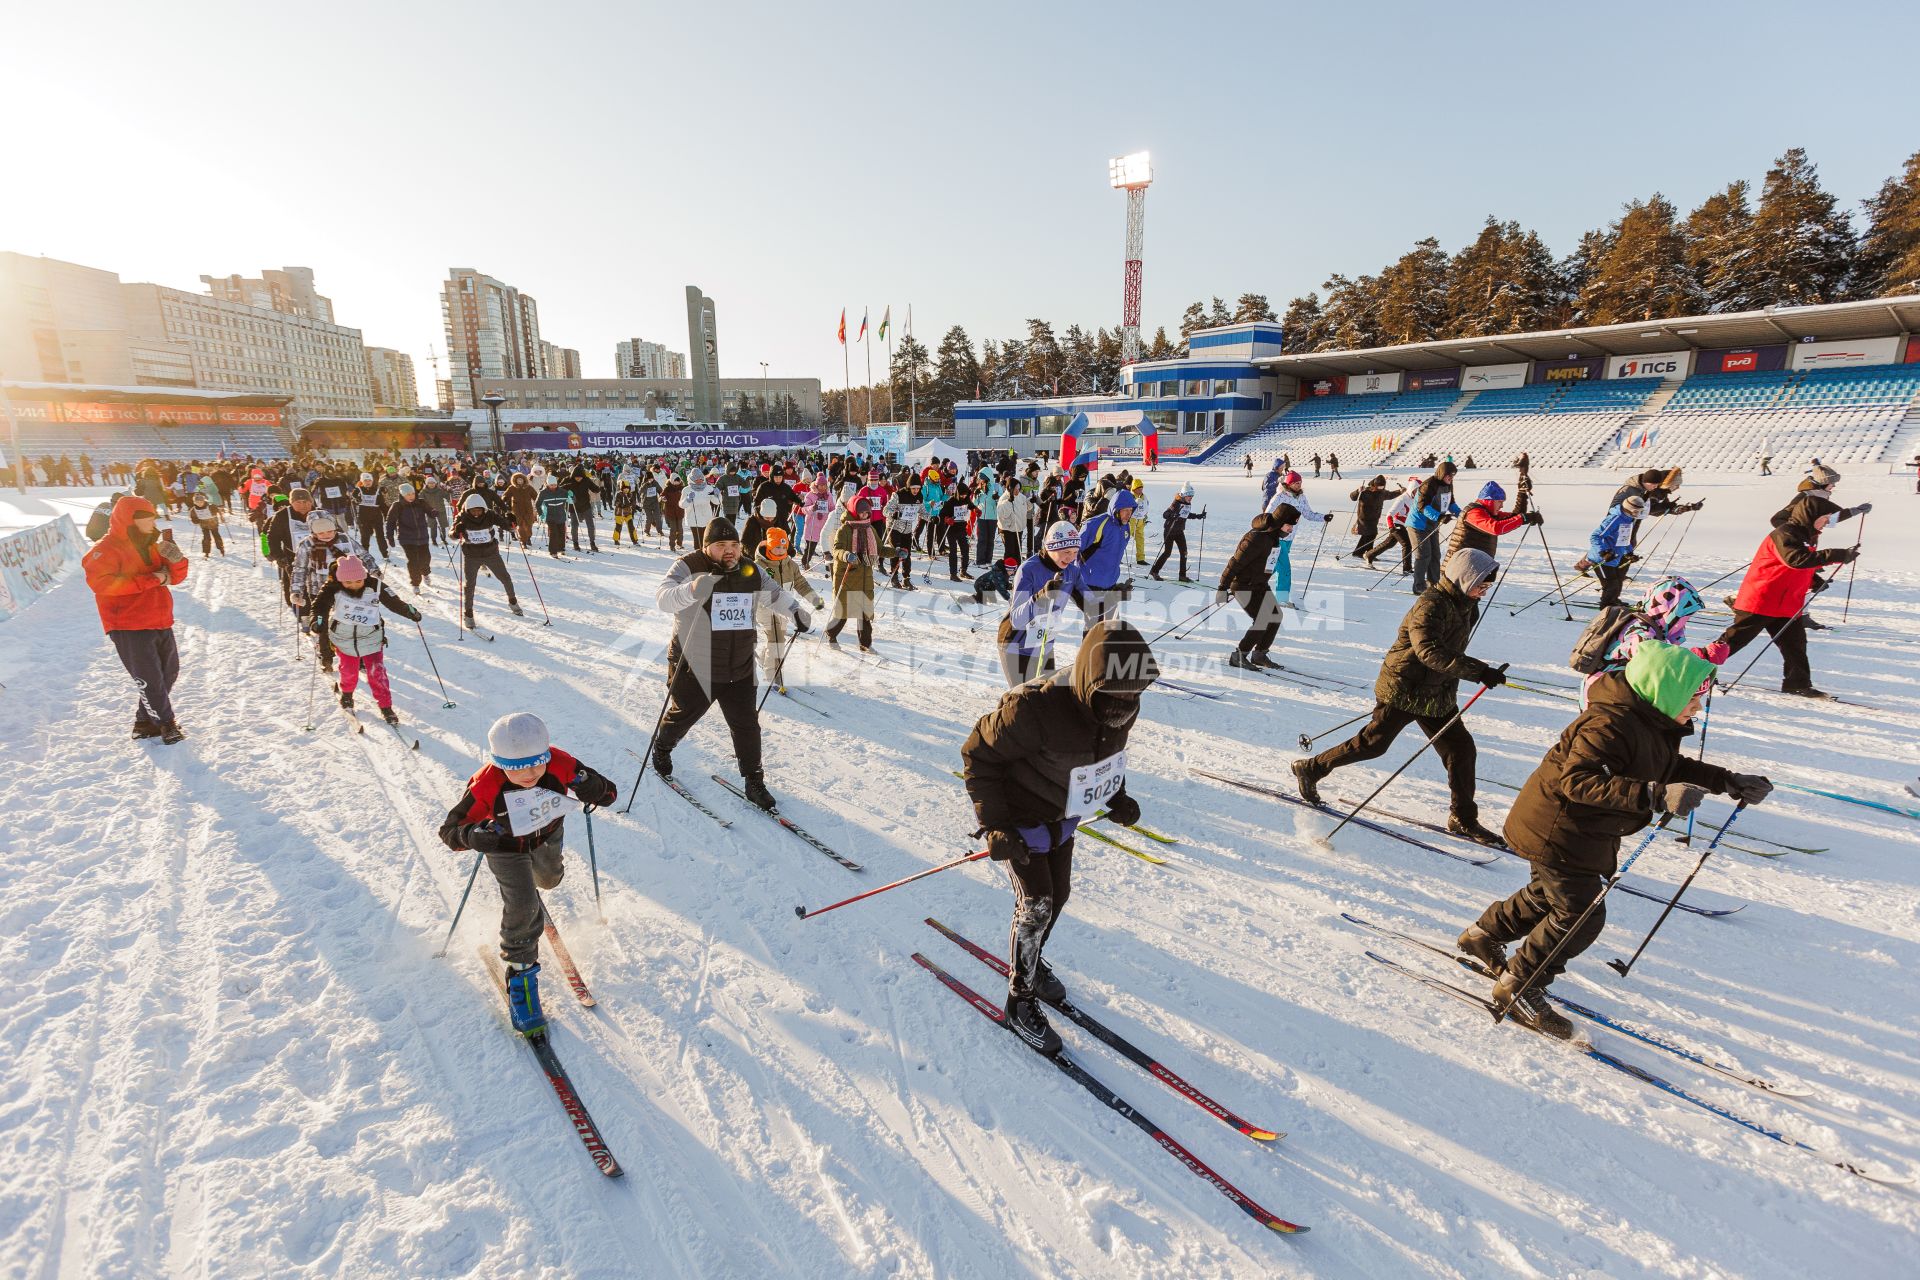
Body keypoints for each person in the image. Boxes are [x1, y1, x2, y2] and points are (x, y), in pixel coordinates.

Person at [1462, 642, 1771, 1037]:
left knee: (1548, 894)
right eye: (1695, 697)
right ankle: (1519, 985)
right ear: (1666, 690)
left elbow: (1668, 764)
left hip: (1581, 830)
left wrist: (1725, 780)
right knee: (1580, 913)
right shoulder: (1608, 724)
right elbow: (1578, 781)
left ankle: (1481, 936)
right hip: (1558, 827)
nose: (1698, 708)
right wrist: (1655, 795)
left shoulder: (1648, 721)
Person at [962, 619, 1159, 1053]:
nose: (1123, 706)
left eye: (1132, 697)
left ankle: (1030, 962)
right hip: (1019, 818)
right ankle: (1020, 1000)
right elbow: (977, 755)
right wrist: (995, 825)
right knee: (1037, 903)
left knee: (1061, 895)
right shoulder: (1034, 709)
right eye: (1114, 695)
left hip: (1062, 814)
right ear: (1091, 679)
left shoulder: (1119, 703)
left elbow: (1103, 756)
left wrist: (1116, 796)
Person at [1292, 547, 1507, 845]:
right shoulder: (1431, 605)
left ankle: (1463, 818)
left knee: (1461, 750)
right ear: (1464, 577)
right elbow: (1428, 651)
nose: (1484, 591)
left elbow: (1451, 649)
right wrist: (1479, 670)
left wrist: (1471, 671)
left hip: (1437, 692)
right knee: (1372, 745)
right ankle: (1311, 768)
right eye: (1481, 584)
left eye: (1488, 586)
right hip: (1404, 687)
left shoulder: (1466, 604)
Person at [438, 712, 618, 1036]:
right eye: (516, 767)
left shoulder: (561, 763)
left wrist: (595, 788)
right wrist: (474, 835)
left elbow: (609, 794)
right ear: (498, 762)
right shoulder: (485, 785)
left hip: (547, 836)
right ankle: (521, 977)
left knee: (549, 879)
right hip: (505, 848)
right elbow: (450, 831)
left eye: (537, 763)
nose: (530, 774)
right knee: (523, 905)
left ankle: (532, 889)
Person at [651, 516, 811, 807]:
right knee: (684, 714)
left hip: (738, 663)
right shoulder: (688, 566)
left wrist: (796, 611)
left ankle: (754, 780)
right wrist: (690, 590)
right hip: (696, 663)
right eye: (721, 545)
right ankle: (662, 746)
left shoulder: (750, 568)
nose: (730, 551)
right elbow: (663, 598)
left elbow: (773, 593)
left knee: (747, 724)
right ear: (707, 546)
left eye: (734, 545)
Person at [1713, 492, 1865, 698]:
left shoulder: (1806, 536)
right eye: (1825, 519)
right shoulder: (1785, 533)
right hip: (1762, 600)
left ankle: (1797, 684)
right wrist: (1837, 555)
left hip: (1785, 603)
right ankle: (1695, 673)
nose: (1827, 523)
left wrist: (1814, 580)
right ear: (1812, 516)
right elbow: (1795, 559)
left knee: (1795, 645)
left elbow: (1801, 565)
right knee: (1734, 641)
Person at [83, 496, 190, 743]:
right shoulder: (105, 548)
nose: (151, 522)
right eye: (145, 518)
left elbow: (175, 577)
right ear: (128, 520)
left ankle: (143, 723)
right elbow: (102, 584)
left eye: (152, 517)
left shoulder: (154, 544)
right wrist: (153, 579)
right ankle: (166, 724)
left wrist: (177, 560)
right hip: (127, 623)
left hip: (159, 617)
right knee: (149, 678)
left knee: (168, 672)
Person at [1579, 575, 1728, 708]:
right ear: (1670, 612)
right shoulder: (1640, 631)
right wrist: (1700, 656)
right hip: (1605, 698)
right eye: (1684, 617)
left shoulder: (1651, 626)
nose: (1685, 622)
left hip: (1617, 694)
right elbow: (1654, 661)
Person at [310, 555, 423, 723]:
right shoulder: (332, 587)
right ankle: (347, 694)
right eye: (348, 583)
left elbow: (394, 602)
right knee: (348, 671)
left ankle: (386, 706)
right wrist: (317, 621)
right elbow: (319, 606)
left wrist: (409, 611)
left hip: (371, 637)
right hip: (344, 637)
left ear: (364, 576)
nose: (353, 585)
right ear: (340, 580)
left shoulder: (375, 585)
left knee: (377, 673)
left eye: (358, 581)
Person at [1000, 521, 1087, 687]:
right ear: (1051, 548)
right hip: (1016, 644)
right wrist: (1041, 595)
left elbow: (1091, 604)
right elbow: (1017, 619)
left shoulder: (1072, 572)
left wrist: (1113, 597)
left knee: (1046, 699)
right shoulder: (1028, 570)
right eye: (1066, 551)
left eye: (1075, 552)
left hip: (1043, 643)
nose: (1071, 557)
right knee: (1024, 701)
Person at [1216, 505, 1296, 672]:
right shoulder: (1256, 538)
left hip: (1259, 584)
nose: (1291, 529)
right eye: (1289, 525)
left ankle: (1259, 654)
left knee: (1275, 616)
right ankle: (1238, 655)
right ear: (1280, 522)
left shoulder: (1273, 537)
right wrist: (1223, 587)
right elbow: (1235, 562)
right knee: (1263, 618)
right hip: (1243, 585)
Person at [754, 528, 823, 691]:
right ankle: (773, 677)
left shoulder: (790, 565)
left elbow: (801, 584)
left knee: (776, 639)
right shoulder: (759, 565)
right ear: (770, 546)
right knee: (777, 639)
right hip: (765, 608)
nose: (781, 551)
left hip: (785, 608)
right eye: (777, 547)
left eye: (784, 548)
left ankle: (765, 658)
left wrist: (814, 599)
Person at [453, 492, 524, 627]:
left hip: (491, 553)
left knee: (505, 578)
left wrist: (512, 522)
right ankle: (468, 613)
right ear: (468, 509)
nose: (476, 513)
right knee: (470, 585)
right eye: (473, 511)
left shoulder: (490, 515)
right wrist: (457, 531)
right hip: (471, 555)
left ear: (484, 509)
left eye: (479, 510)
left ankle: (513, 601)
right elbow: (453, 534)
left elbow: (507, 526)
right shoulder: (462, 517)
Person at [1076, 480, 1137, 622]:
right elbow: (1075, 550)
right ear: (1116, 509)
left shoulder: (1125, 528)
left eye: (1130, 510)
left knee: (1111, 628)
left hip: (1110, 584)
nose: (1128, 515)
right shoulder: (1096, 524)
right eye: (1125, 510)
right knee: (1093, 628)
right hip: (1091, 585)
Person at [826, 497, 881, 650]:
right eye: (862, 513)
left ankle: (865, 644)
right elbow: (836, 550)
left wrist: (896, 552)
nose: (865, 516)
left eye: (867, 513)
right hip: (847, 575)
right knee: (843, 612)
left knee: (864, 614)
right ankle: (831, 633)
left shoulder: (870, 529)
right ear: (854, 512)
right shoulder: (845, 529)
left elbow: (880, 548)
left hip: (864, 577)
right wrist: (846, 555)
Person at [1445, 481, 1538, 559]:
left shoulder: (1489, 513)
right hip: (1458, 570)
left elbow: (1514, 517)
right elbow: (1495, 528)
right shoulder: (1473, 513)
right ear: (1489, 501)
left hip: (1475, 567)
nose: (1502, 506)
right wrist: (1523, 518)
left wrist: (1522, 494)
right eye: (1499, 502)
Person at [1406, 461, 1460, 593]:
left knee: (1435, 555)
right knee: (1424, 555)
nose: (1451, 478)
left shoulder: (1448, 485)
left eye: (1453, 476)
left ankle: (1434, 585)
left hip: (1432, 525)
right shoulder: (1429, 485)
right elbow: (1423, 506)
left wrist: (1462, 515)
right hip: (1418, 525)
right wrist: (1439, 517)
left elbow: (1451, 503)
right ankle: (1418, 586)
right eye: (1449, 475)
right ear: (1442, 474)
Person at [1586, 494, 1645, 608]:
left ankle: (1613, 602)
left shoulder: (1628, 520)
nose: (1639, 514)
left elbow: (1624, 539)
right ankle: (1606, 608)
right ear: (1631, 509)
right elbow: (1595, 536)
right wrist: (1603, 552)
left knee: (1617, 582)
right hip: (1601, 559)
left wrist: (1629, 553)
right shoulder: (1615, 519)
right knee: (1611, 585)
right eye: (1638, 511)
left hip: (1613, 558)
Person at [266, 488, 318, 605]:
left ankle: (317, 614)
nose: (303, 505)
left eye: (306, 502)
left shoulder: (320, 513)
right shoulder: (282, 516)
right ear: (291, 503)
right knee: (296, 586)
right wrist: (279, 556)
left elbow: (337, 533)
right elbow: (273, 537)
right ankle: (301, 612)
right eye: (298, 502)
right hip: (292, 556)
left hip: (319, 556)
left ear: (311, 502)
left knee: (317, 587)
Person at [384, 482, 436, 591]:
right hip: (406, 538)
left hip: (422, 536)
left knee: (425, 558)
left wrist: (433, 512)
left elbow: (430, 511)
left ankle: (425, 573)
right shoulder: (397, 506)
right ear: (403, 495)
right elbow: (390, 522)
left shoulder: (421, 502)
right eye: (408, 494)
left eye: (412, 494)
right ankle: (415, 583)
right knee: (413, 561)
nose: (411, 496)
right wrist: (389, 537)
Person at [1150, 482, 1205, 582]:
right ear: (1184, 495)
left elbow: (1186, 514)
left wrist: (1198, 516)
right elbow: (1165, 514)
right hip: (1169, 530)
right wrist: (1173, 515)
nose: (1191, 497)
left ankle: (1182, 576)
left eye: (1192, 496)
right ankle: (1154, 571)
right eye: (1189, 495)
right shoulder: (1176, 503)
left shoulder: (1187, 503)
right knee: (1167, 553)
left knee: (1184, 553)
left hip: (1179, 531)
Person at [1347, 475, 1388, 560]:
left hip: (1374, 518)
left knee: (1367, 535)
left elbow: (1391, 494)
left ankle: (1358, 552)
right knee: (1371, 534)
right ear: (1375, 485)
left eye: (1382, 486)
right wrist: (1358, 491)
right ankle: (1369, 553)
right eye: (1379, 486)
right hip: (1364, 518)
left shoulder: (1382, 493)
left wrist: (1400, 491)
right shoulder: (1366, 491)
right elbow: (1352, 497)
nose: (1381, 488)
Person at [352, 472, 390, 557]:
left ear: (372, 481)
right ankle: (365, 553)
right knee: (365, 536)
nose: (368, 482)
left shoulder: (377, 490)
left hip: (376, 516)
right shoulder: (358, 490)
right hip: (363, 517)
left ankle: (384, 553)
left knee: (380, 535)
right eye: (366, 480)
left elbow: (382, 505)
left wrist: (387, 515)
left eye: (369, 480)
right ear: (362, 481)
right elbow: (353, 496)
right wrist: (356, 499)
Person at [538, 476, 571, 557]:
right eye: (551, 485)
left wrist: (571, 496)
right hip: (550, 516)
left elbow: (572, 501)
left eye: (554, 485)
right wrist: (541, 514)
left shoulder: (563, 491)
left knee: (561, 532)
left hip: (561, 515)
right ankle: (553, 551)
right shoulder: (543, 493)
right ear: (547, 484)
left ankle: (561, 548)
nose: (553, 486)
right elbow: (537, 504)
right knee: (553, 533)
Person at [186, 491, 225, 558]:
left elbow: (218, 510)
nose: (199, 504)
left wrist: (221, 517)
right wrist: (196, 521)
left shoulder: (210, 506)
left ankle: (221, 548)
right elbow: (193, 518)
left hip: (213, 524)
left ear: (204, 501)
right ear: (194, 502)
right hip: (204, 525)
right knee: (206, 538)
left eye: (201, 502)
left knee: (216, 536)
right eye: (197, 502)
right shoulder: (193, 510)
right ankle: (206, 552)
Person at [612, 480, 639, 545]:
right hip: (619, 514)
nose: (626, 490)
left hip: (628, 514)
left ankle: (635, 540)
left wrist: (637, 507)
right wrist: (621, 505)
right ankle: (616, 540)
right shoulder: (619, 494)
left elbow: (633, 503)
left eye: (627, 488)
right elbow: (616, 502)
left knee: (631, 527)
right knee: (618, 527)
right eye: (624, 488)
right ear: (622, 488)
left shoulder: (630, 494)